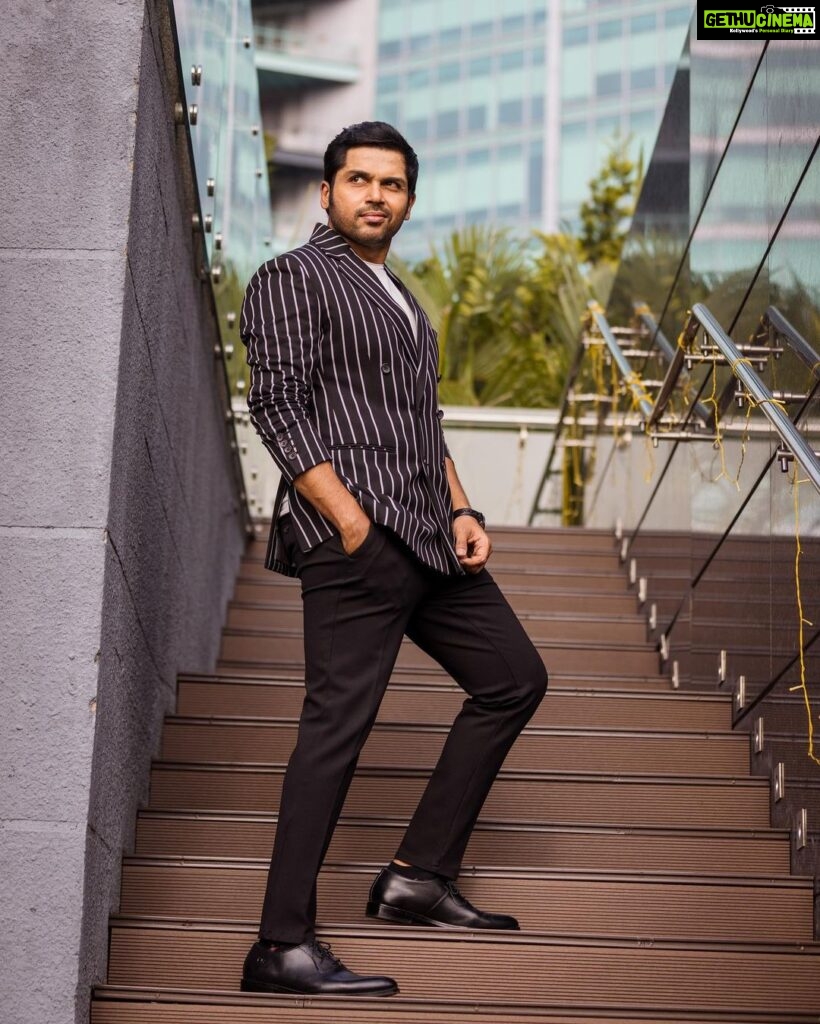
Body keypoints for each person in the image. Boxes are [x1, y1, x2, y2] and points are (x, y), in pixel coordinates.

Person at [238, 121, 548, 998]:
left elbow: (424, 422)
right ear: (326, 192)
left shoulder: (401, 297)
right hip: (356, 541)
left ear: (410, 199)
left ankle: (418, 876)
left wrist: (459, 506)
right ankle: (280, 946)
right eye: (359, 180)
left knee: (514, 678)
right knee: (335, 731)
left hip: (427, 537)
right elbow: (280, 411)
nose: (376, 195)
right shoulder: (293, 277)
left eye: (393, 184)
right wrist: (350, 526)